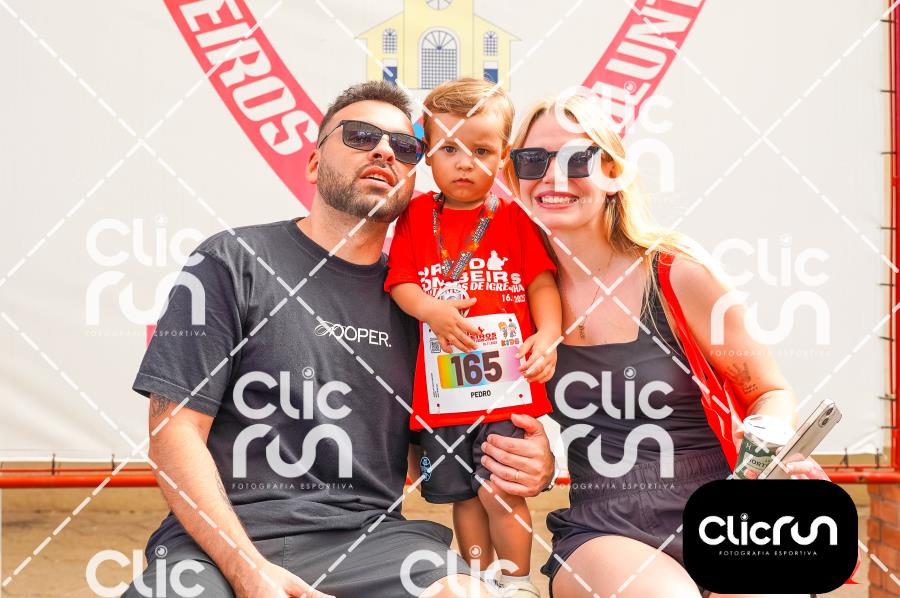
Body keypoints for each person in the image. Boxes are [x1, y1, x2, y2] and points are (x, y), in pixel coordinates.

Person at [124, 80, 555, 598]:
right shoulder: (231, 261)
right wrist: (246, 568)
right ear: (313, 163)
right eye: (360, 136)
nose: (383, 151)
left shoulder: (426, 308)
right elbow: (173, 432)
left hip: (372, 541)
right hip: (222, 541)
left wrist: (531, 462)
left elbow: (447, 442)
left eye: (404, 147)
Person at [504, 92, 827, 598]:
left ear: (613, 172)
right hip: (602, 528)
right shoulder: (511, 294)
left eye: (576, 158)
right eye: (532, 160)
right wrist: (539, 464)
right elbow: (485, 413)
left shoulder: (677, 274)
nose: (552, 176)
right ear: (514, 177)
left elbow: (769, 391)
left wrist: (765, 448)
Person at [385, 78, 562, 598]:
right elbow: (401, 282)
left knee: (499, 490)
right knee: (463, 496)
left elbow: (541, 283)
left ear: (504, 157)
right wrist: (431, 310)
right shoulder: (415, 216)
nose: (464, 163)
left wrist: (549, 335)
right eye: (449, 149)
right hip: (443, 393)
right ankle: (481, 581)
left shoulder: (515, 217)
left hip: (506, 388)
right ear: (427, 154)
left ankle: (518, 582)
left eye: (481, 151)